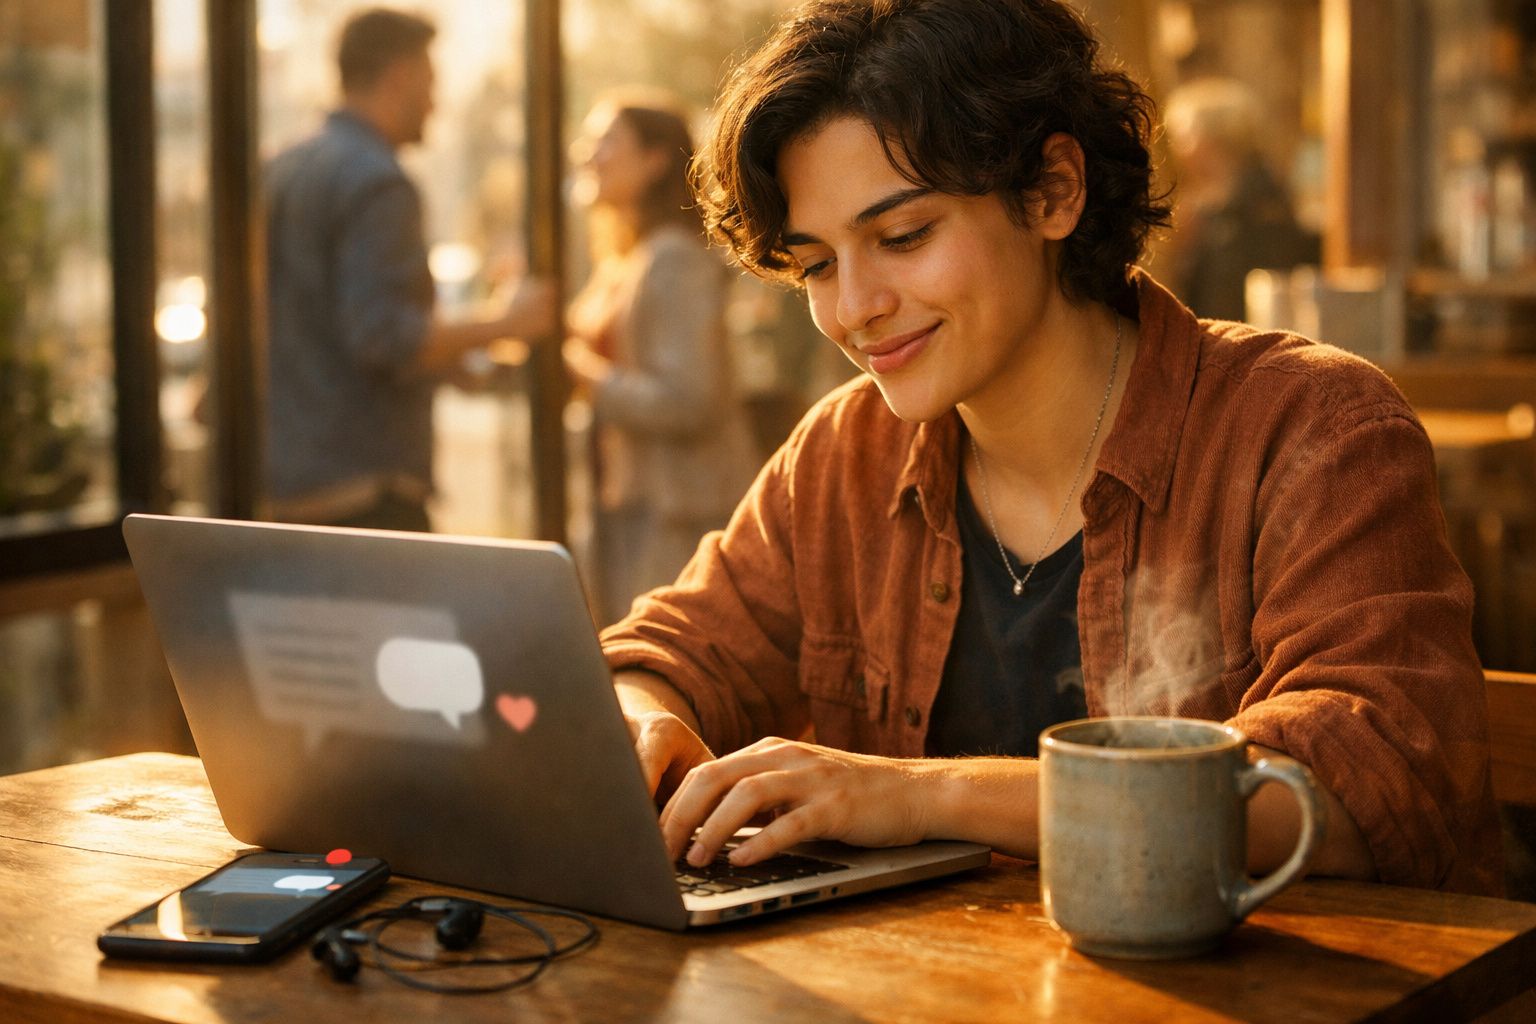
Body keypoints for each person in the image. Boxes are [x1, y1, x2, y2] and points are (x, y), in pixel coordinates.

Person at [599, 0, 1502, 895]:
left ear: (1054, 191)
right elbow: (666, 654)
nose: (854, 307)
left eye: (903, 237)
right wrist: (645, 722)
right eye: (817, 265)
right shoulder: (847, 453)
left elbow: (1361, 785)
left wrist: (918, 794)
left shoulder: (1309, 428)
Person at [265, 7, 554, 532]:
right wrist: (509, 322)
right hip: (363, 492)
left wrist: (445, 359)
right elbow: (384, 339)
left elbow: (314, 321)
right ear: (399, 77)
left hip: (278, 485)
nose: (434, 105)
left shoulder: (280, 168)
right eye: (430, 84)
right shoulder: (379, 181)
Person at [563, 91, 759, 624]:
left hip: (678, 518)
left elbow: (688, 399)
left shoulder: (674, 259)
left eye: (606, 140)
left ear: (653, 160)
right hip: (630, 508)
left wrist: (583, 374)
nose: (587, 153)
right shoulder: (628, 260)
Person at [1160, 76, 1318, 322]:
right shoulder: (1203, 202)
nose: (1178, 147)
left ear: (1215, 135)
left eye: (1184, 135)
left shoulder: (1263, 200)